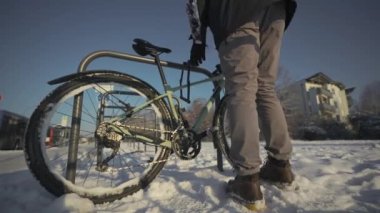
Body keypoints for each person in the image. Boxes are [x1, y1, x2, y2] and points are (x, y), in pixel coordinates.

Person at [186, 0, 297, 210]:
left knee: (241, 89)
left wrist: (198, 40)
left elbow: (194, 2)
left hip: (235, 11)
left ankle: (247, 180)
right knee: (265, 88)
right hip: (277, 9)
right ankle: (280, 166)